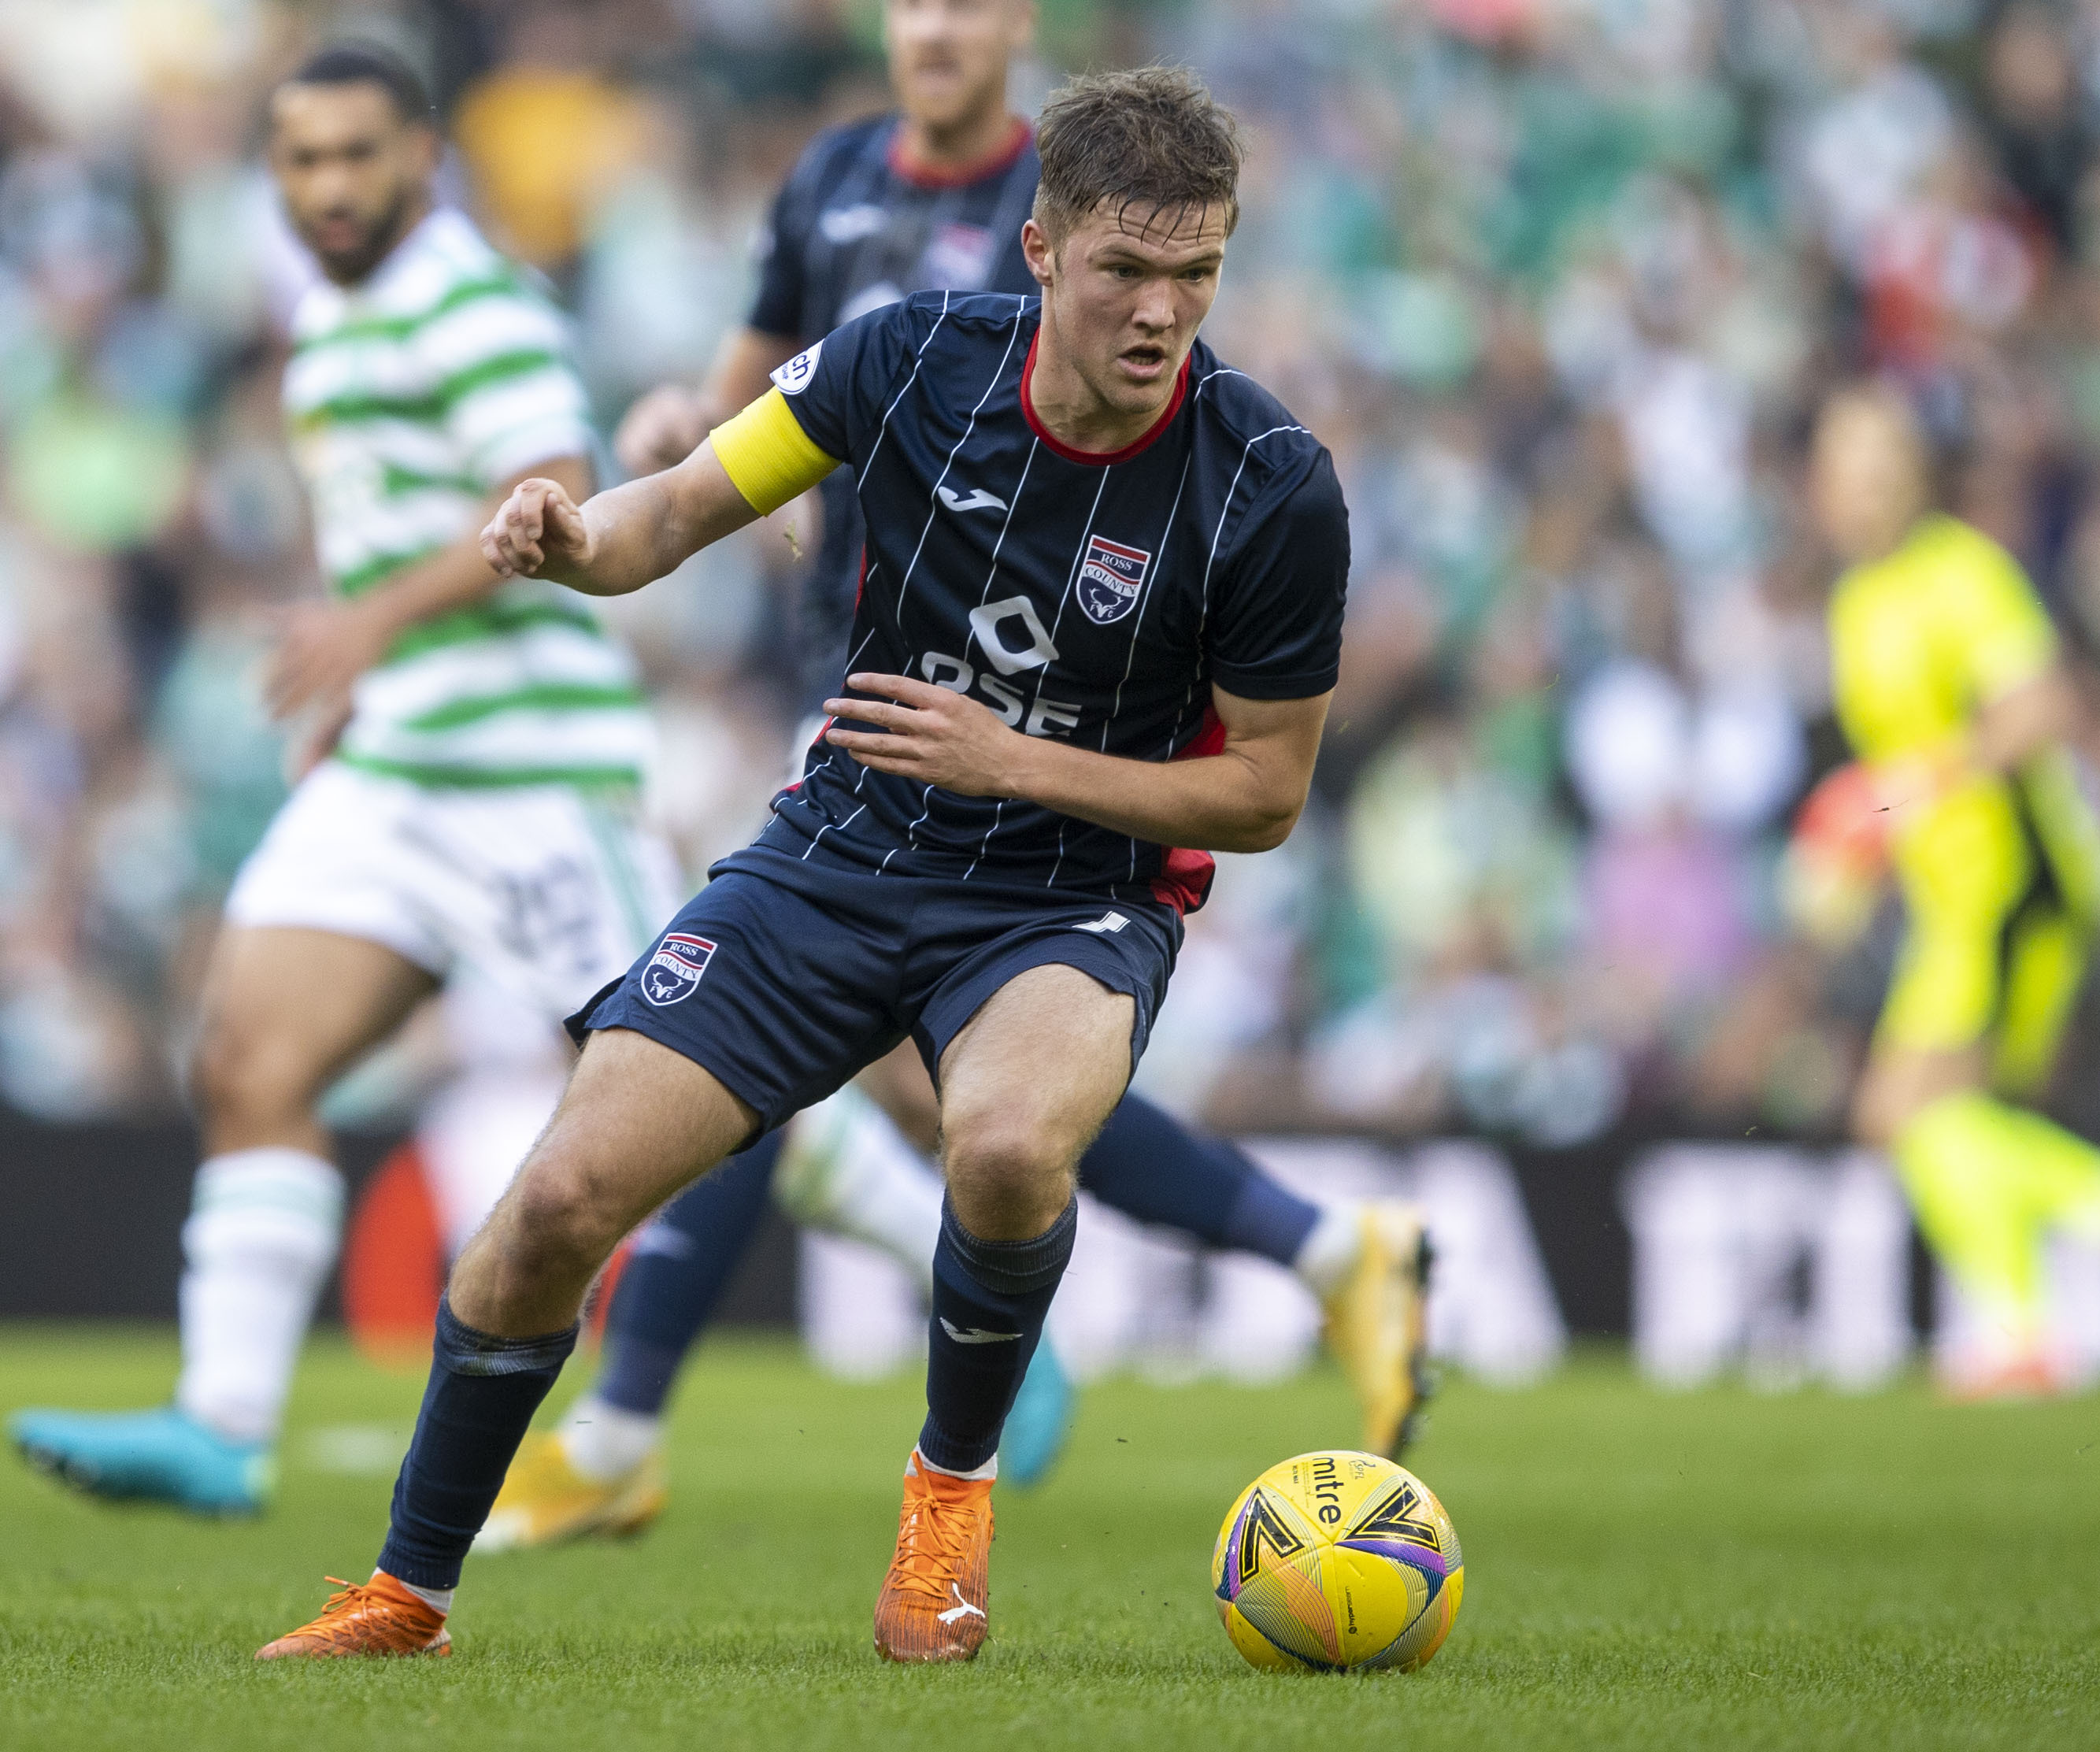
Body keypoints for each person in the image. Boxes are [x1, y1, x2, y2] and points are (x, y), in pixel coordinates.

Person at [254, 66, 1350, 1665]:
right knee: (556, 1201)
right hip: (839, 851)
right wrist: (572, 539)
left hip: (1073, 893)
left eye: (1197, 273)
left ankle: (947, 1491)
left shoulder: (1268, 480)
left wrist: (1010, 762)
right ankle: (406, 1592)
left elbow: (1262, 793)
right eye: (1126, 267)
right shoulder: (905, 359)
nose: (1160, 310)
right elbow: (674, 510)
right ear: (1040, 248)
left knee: (1004, 1147)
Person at [480, 0, 1425, 1552]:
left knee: (938, 1093)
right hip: (859, 683)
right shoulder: (832, 181)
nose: (935, 25)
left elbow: (1262, 780)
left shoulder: (1093, 216)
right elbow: (735, 411)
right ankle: (1293, 1251)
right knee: (840, 1067)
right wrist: (656, 457)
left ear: (1013, 28)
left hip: (1020, 737)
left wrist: (1016, 749)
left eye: (967, 1)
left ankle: (660, 1419)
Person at [5, 45, 783, 1515]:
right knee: (250, 1052)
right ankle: (223, 1426)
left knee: (705, 1080)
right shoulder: (327, 317)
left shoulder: (466, 300)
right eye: (302, 160)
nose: (331, 186)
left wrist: (368, 625)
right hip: (399, 764)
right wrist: (368, 668)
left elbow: (550, 487)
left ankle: (972, 1291)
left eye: (359, 154)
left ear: (424, 158)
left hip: (531, 769)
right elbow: (391, 524)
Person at [1809, 384, 2100, 1398]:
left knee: (1910, 1110)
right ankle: (2087, 1261)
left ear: (1915, 478)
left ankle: (2073, 1271)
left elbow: (2040, 709)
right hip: (1953, 894)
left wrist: (1899, 792)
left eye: (1880, 468)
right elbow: (1909, 767)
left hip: (2018, 879)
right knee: (1924, 1116)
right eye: (1845, 470)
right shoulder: (1857, 601)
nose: (1862, 490)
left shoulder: (1962, 574)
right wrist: (1865, 840)